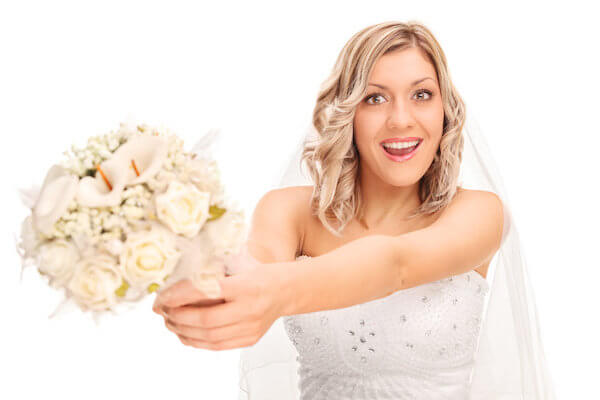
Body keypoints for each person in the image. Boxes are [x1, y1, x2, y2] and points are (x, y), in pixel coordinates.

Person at [154, 20, 557, 399]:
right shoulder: (289, 212)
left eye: (421, 95)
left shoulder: (479, 214)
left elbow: (395, 264)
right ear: (348, 113)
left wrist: (271, 291)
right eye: (375, 98)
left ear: (444, 109)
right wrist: (181, 258)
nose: (401, 120)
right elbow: (249, 276)